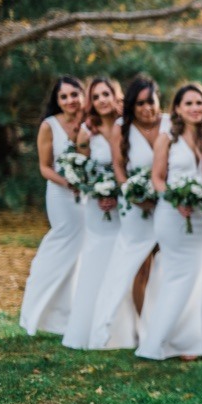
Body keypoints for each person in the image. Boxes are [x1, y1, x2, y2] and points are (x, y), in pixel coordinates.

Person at [89, 76, 169, 350]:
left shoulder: (169, 124)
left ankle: (165, 325)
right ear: (132, 106)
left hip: (167, 205)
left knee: (166, 267)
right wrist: (136, 196)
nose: (147, 108)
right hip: (135, 209)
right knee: (140, 268)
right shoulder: (122, 128)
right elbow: (120, 171)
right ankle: (143, 331)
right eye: (140, 103)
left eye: (151, 101)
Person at [136, 82, 202, 361]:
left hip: (200, 217)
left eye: (199, 102)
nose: (195, 108)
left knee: (196, 276)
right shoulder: (167, 138)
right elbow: (157, 178)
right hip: (171, 215)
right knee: (180, 275)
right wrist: (175, 199)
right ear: (177, 108)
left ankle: (187, 341)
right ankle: (156, 342)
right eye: (188, 103)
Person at [19, 76, 86, 336]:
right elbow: (44, 167)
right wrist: (68, 183)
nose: (70, 100)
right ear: (57, 101)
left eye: (74, 94)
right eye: (64, 96)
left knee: (83, 248)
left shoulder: (89, 123)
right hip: (61, 194)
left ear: (83, 95)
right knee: (62, 243)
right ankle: (35, 308)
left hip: (88, 195)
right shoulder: (49, 126)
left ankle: (69, 312)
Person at [63, 77, 123, 349]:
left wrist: (118, 192)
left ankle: (120, 328)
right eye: (96, 96)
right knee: (96, 261)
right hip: (97, 209)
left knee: (120, 263)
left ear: (115, 96)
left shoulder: (126, 127)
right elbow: (80, 170)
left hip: (124, 206)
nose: (102, 100)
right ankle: (87, 328)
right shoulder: (88, 132)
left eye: (106, 94)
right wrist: (97, 191)